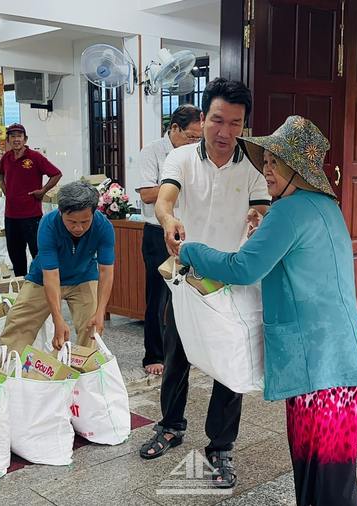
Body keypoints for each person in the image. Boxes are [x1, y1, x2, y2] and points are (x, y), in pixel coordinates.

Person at [178, 116, 357, 505]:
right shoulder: (324, 206)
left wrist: (189, 249)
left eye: (275, 163)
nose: (266, 170)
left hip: (314, 364)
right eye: (265, 161)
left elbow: (242, 268)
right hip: (338, 359)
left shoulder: (287, 212)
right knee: (331, 475)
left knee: (320, 478)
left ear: (297, 168)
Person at [138, 78, 271, 489]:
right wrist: (168, 219)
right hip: (189, 278)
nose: (224, 132)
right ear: (203, 116)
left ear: (244, 124)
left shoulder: (252, 165)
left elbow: (262, 206)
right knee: (177, 355)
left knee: (230, 366)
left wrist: (259, 218)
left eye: (235, 123)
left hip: (232, 283)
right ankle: (171, 425)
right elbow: (164, 198)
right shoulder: (180, 158)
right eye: (217, 120)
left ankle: (221, 447)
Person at [0, 181, 115, 353]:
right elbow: (51, 275)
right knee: (18, 323)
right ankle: (7, 369)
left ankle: (85, 370)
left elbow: (106, 271)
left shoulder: (104, 227)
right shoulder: (48, 224)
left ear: (93, 212)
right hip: (42, 278)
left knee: (91, 327)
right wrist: (57, 319)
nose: (78, 227)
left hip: (83, 277)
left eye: (85, 221)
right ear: (61, 212)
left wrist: (100, 312)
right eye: (72, 221)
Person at [134, 104, 202, 376]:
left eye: (199, 138)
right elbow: (147, 194)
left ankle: (191, 352)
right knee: (158, 297)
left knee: (190, 294)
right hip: (157, 232)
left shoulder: (198, 153)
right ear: (174, 128)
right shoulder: (152, 151)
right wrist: (178, 180)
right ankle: (154, 354)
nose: (195, 143)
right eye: (190, 136)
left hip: (189, 232)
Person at [0, 123, 63, 277]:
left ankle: (43, 286)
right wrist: (3, 186)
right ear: (8, 140)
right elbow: (1, 174)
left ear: (25, 139)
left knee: (38, 254)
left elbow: (56, 174)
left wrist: (43, 191)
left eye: (19, 136)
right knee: (16, 255)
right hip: (11, 216)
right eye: (12, 136)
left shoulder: (35, 157)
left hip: (31, 216)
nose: (16, 140)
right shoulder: (6, 158)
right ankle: (22, 287)